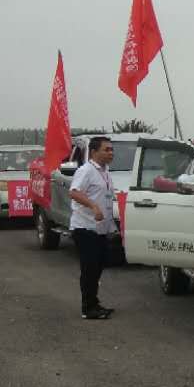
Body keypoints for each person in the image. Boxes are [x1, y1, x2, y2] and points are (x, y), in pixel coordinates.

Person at [68, 136, 118, 320]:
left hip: (101, 229)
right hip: (85, 227)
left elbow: (106, 200)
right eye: (107, 149)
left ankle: (94, 303)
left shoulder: (105, 172)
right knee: (89, 269)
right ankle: (87, 308)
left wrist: (112, 226)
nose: (111, 153)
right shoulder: (86, 171)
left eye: (112, 149)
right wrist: (92, 206)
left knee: (98, 267)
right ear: (94, 151)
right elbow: (73, 192)